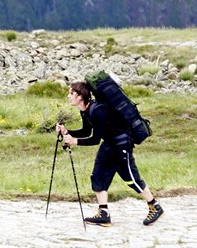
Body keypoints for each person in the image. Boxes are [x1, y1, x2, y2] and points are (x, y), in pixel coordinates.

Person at [56, 81, 164, 227]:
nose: (68, 96)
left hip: (121, 144)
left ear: (80, 96)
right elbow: (87, 131)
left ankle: (155, 205)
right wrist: (67, 131)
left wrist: (75, 141)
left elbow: (95, 139)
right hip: (109, 144)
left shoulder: (98, 110)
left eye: (71, 93)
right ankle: (104, 214)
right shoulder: (86, 110)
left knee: (130, 177)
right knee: (98, 175)